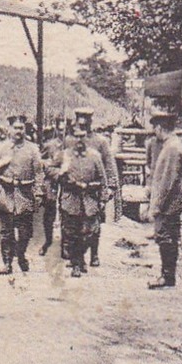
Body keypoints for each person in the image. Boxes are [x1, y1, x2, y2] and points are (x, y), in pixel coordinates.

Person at [0, 115, 41, 274]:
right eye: (15, 128)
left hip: (25, 194)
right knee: (6, 232)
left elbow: (38, 172)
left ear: (25, 130)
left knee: (25, 232)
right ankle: (7, 263)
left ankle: (21, 254)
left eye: (21, 128)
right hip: (6, 194)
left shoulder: (33, 149)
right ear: (9, 129)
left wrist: (38, 193)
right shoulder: (0, 148)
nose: (18, 131)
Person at [53, 124, 107, 277]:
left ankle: (81, 257)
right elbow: (49, 168)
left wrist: (102, 199)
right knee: (72, 233)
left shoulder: (95, 156)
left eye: (82, 136)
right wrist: (61, 174)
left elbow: (102, 179)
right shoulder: (64, 155)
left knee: (89, 233)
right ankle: (76, 263)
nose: (79, 139)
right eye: (76, 136)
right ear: (71, 138)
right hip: (71, 199)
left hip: (89, 199)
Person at [146, 110, 182, 289]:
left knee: (165, 238)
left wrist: (156, 206)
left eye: (155, 128)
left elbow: (166, 181)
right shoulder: (172, 144)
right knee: (168, 237)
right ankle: (168, 275)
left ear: (159, 127)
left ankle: (167, 276)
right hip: (170, 201)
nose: (154, 131)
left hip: (169, 203)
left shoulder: (171, 148)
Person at [75, 108, 118, 267]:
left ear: (91, 121)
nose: (83, 123)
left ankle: (94, 254)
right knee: (74, 224)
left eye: (86, 120)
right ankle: (77, 256)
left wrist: (111, 187)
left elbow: (109, 164)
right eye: (80, 120)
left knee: (94, 224)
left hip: (94, 190)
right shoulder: (70, 140)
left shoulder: (101, 142)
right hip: (74, 190)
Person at [36, 119, 65, 256]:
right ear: (56, 131)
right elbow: (39, 162)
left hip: (68, 184)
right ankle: (48, 241)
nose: (63, 133)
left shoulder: (74, 146)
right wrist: (49, 167)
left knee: (67, 213)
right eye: (60, 130)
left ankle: (65, 245)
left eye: (66, 130)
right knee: (49, 214)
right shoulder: (50, 146)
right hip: (51, 183)